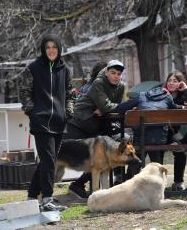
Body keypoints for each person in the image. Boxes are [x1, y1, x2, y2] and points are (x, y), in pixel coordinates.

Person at [66, 60, 138, 198]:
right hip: (79, 124)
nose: (116, 76)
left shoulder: (120, 86)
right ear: (106, 73)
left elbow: (113, 107)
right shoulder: (97, 84)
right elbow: (109, 107)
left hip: (97, 124)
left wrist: (107, 108)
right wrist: (110, 108)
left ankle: (118, 182)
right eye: (113, 73)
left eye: (119, 74)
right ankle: (74, 187)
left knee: (115, 148)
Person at [19, 33, 74, 211]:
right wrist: (31, 111)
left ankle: (31, 196)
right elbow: (24, 91)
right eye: (48, 47)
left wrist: (68, 111)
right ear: (44, 49)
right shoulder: (33, 68)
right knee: (49, 160)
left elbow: (70, 93)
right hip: (41, 122)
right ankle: (47, 199)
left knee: (46, 160)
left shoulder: (65, 69)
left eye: (54, 47)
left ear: (59, 49)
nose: (51, 50)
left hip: (59, 121)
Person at [163, 71, 187, 191]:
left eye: (175, 81)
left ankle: (178, 182)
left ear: (180, 83)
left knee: (181, 150)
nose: (171, 83)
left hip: (177, 134)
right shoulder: (161, 94)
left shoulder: (183, 96)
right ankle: (158, 182)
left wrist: (186, 90)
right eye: (169, 80)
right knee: (156, 152)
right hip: (162, 133)